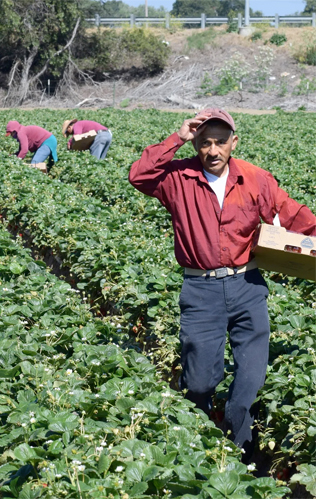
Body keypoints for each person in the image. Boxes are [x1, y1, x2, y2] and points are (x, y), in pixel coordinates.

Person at [128, 108, 316, 461]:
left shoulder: (254, 178)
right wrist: (176, 138)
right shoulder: (177, 178)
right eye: (204, 143)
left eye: (220, 142)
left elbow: (291, 215)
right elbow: (138, 175)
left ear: (234, 142)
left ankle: (241, 449)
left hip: (248, 285)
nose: (213, 151)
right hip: (201, 290)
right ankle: (199, 437)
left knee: (249, 379)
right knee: (199, 381)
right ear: (195, 144)